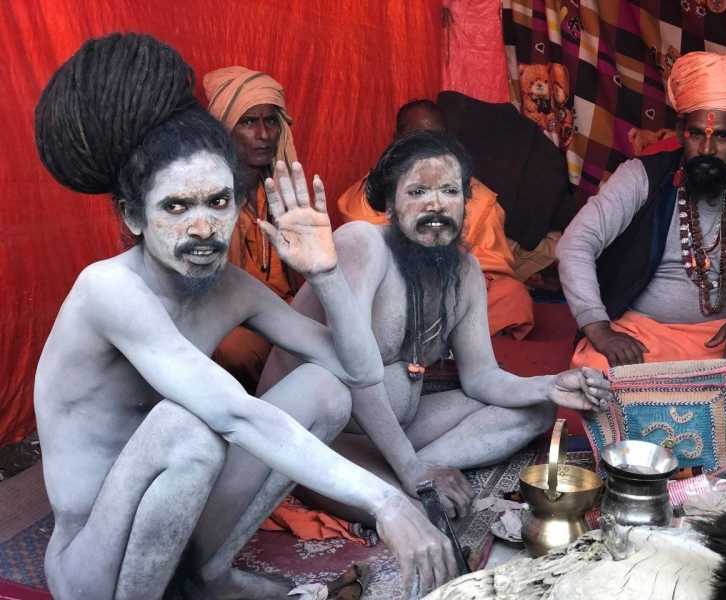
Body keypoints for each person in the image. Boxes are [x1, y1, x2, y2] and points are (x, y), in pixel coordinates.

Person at [33, 33, 456, 599]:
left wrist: (326, 275)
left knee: (324, 389)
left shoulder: (228, 287)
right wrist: (385, 501)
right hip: (93, 565)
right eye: (176, 207)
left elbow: (359, 371)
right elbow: (235, 417)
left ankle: (205, 577)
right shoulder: (108, 289)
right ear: (134, 216)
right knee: (188, 426)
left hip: (175, 530)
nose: (203, 228)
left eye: (218, 202)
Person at [263, 130, 611, 521]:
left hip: (401, 430)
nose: (436, 205)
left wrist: (550, 384)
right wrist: (409, 471)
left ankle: (409, 469)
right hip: (325, 435)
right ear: (390, 205)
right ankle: (400, 477)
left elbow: (481, 377)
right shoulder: (362, 244)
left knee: (538, 409)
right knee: (420, 514)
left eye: (449, 191)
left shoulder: (465, 271)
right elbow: (353, 374)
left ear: (466, 202)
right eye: (416, 193)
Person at [557, 51, 726, 414]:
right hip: (645, 338)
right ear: (679, 134)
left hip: (723, 343)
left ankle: (669, 398)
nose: (706, 149)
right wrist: (599, 330)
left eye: (722, 136)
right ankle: (723, 401)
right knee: (597, 369)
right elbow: (575, 244)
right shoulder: (640, 176)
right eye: (696, 134)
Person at [337, 99, 536, 339]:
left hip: (453, 292)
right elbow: (362, 252)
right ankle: (443, 340)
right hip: (394, 293)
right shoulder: (374, 191)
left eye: (435, 138)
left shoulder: (477, 196)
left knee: (512, 296)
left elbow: (493, 264)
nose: (427, 146)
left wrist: (456, 270)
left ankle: (441, 337)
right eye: (417, 137)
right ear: (397, 139)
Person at [203, 66, 299, 391]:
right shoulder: (206, 197)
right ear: (225, 130)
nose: (264, 134)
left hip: (285, 315)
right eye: (248, 122)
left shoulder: (286, 191)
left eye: (270, 121)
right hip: (232, 319)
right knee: (234, 349)